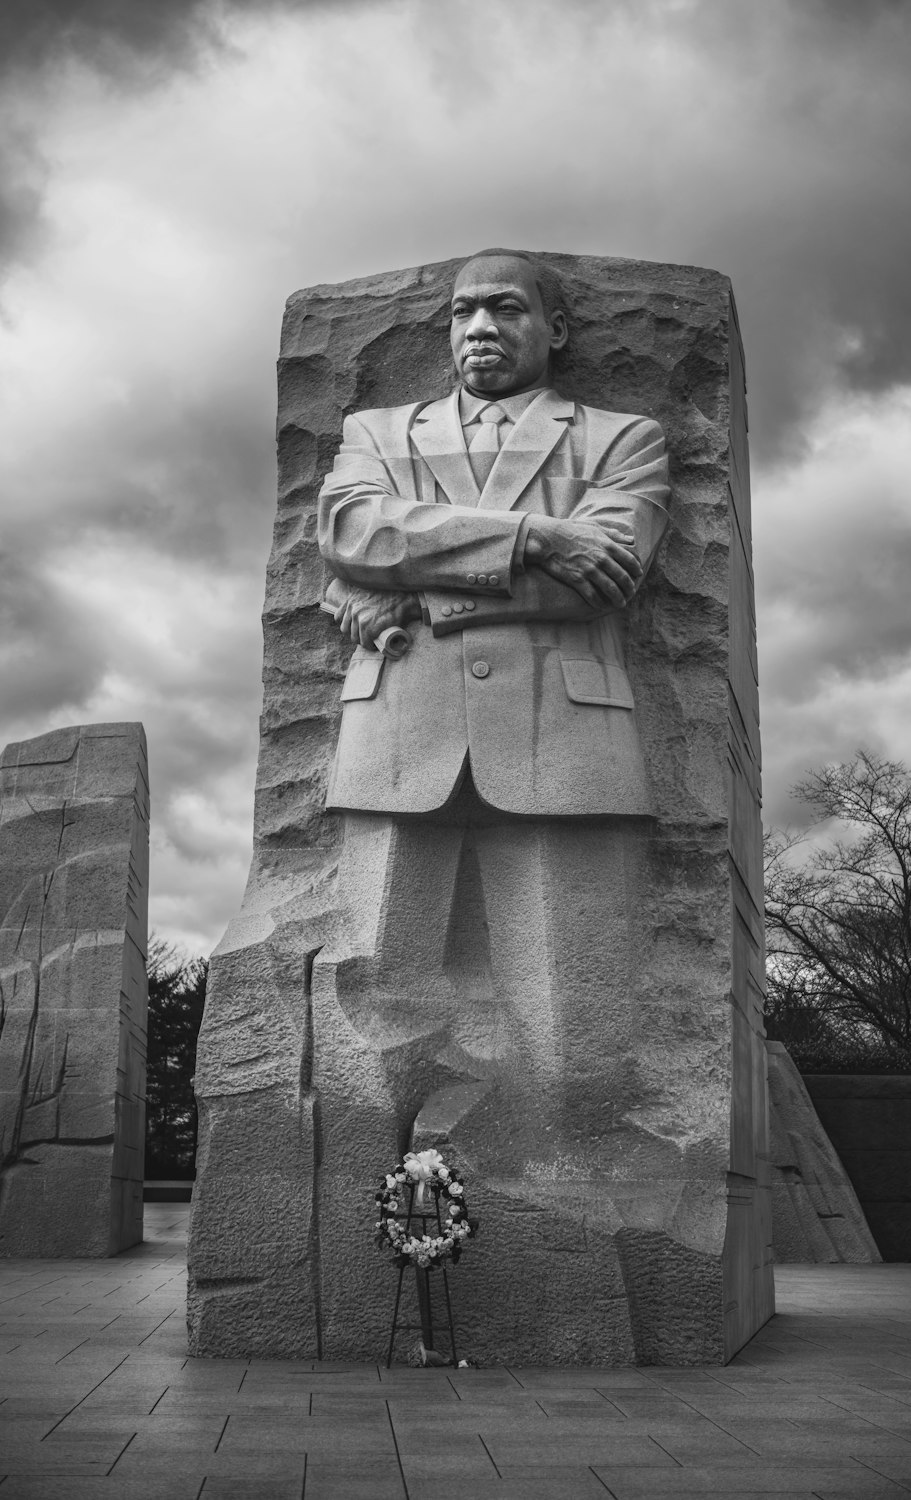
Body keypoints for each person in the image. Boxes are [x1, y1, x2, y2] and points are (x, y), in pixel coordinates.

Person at [315, 250, 670, 1146]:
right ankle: (367, 1200)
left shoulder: (621, 439)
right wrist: (534, 533)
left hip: (565, 736)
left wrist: (414, 593)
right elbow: (353, 528)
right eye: (463, 311)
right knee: (370, 992)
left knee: (566, 1008)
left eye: (506, 308)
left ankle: (567, 1192)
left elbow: (603, 576)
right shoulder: (380, 432)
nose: (480, 327)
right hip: (398, 733)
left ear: (554, 328)